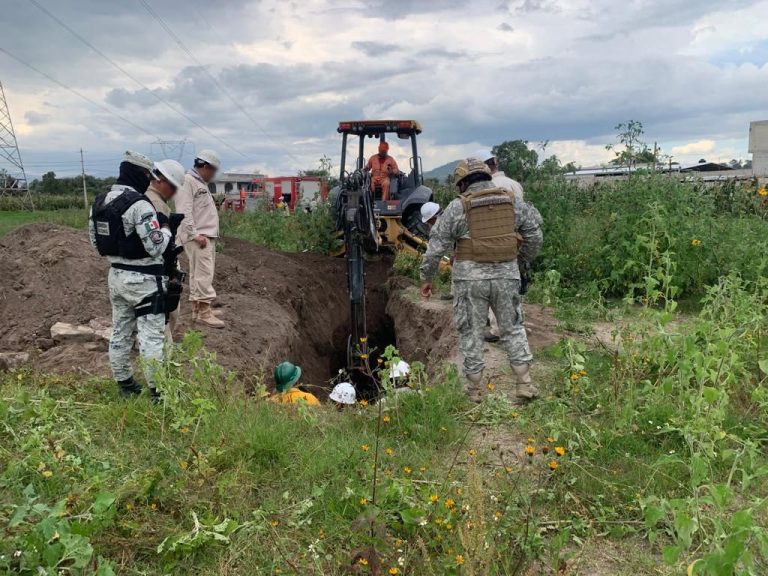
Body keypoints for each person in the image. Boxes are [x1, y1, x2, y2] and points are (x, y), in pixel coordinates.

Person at [419, 158, 543, 404]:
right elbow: (535, 235)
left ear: (462, 183)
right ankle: (524, 384)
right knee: (513, 327)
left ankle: (476, 391)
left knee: (471, 332)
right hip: (506, 275)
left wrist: (427, 277)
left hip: (470, 280)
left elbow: (436, 248)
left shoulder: (458, 207)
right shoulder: (512, 201)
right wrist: (519, 259)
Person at [89, 151, 172, 400]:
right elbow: (156, 246)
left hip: (116, 277)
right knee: (151, 337)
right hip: (145, 281)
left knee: (120, 332)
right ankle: (158, 393)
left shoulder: (99, 202)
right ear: (141, 174)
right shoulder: (140, 205)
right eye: (148, 175)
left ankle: (125, 384)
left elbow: (96, 243)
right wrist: (166, 228)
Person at [175, 149, 224, 328]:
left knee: (198, 273)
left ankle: (198, 309)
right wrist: (194, 234)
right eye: (213, 170)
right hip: (198, 236)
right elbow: (183, 210)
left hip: (203, 235)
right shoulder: (188, 181)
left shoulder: (199, 182)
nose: (214, 174)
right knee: (204, 273)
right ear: (204, 166)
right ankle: (204, 312)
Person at [144, 159, 186, 346]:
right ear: (159, 179)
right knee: (167, 311)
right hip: (160, 267)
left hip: (156, 265)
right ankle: (164, 351)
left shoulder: (151, 199)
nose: (174, 192)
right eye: (173, 186)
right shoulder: (154, 204)